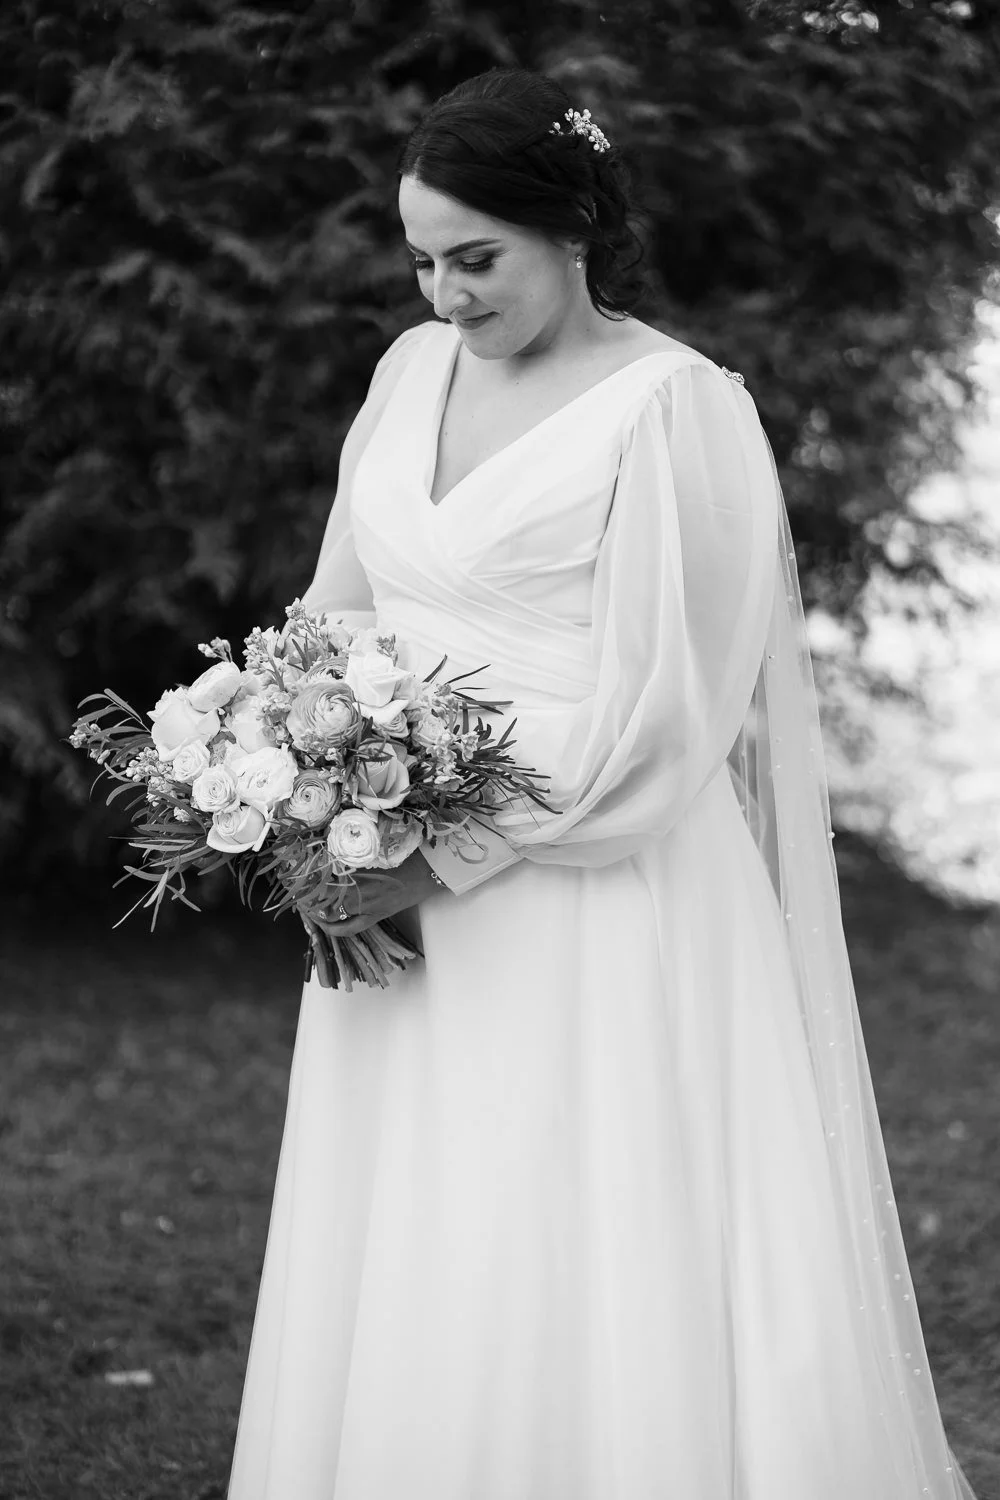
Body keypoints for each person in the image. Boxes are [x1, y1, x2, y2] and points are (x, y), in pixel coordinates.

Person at [225, 67, 978, 1500]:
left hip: (593, 894)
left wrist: (425, 862)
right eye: (423, 261)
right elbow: (334, 607)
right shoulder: (405, 373)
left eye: (475, 259)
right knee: (423, 1225)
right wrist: (284, 792)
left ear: (569, 225)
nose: (444, 294)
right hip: (387, 882)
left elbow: (667, 720)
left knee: (575, 1221)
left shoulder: (678, 411)